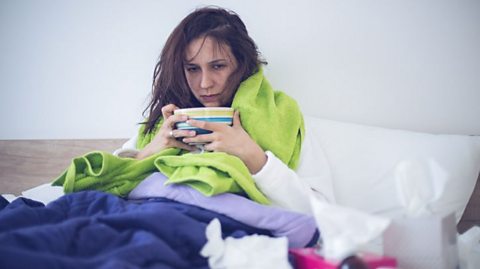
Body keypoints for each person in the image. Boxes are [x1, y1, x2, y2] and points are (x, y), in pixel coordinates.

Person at [114, 6, 333, 215]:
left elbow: (324, 212)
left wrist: (256, 159)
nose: (205, 83)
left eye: (218, 66)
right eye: (192, 69)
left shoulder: (284, 117)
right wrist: (148, 153)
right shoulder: (167, 121)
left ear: (242, 64)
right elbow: (106, 188)